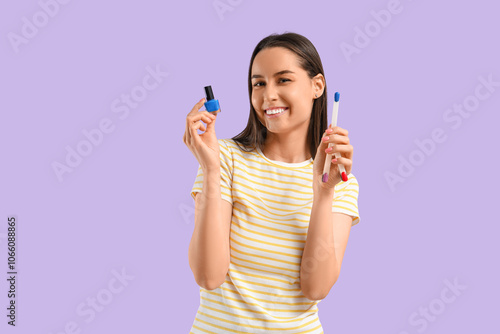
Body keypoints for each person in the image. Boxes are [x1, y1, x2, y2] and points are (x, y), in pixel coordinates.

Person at [183, 32, 360, 334]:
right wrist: (212, 172)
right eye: (259, 83)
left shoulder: (341, 180)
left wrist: (323, 192)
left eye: (284, 80)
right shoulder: (224, 158)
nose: (268, 96)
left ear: (317, 86)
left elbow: (316, 288)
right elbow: (209, 276)